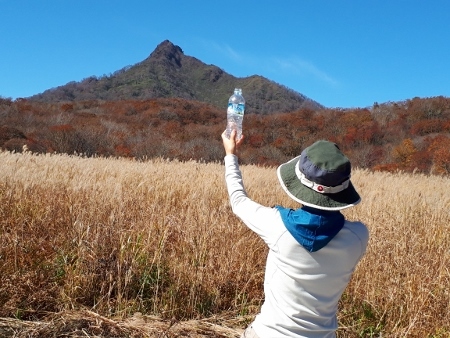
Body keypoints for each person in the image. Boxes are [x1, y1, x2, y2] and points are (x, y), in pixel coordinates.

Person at [221, 129, 369, 338]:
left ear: (299, 183)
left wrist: (231, 155)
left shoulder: (277, 226)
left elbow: (238, 200)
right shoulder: (359, 237)